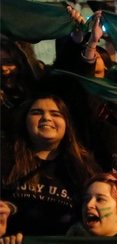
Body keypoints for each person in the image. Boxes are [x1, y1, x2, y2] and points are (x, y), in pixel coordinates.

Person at [1, 95, 98, 236]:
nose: (46, 118)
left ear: (67, 123)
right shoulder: (5, 157)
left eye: (55, 114)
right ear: (25, 121)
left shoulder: (84, 167)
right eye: (37, 112)